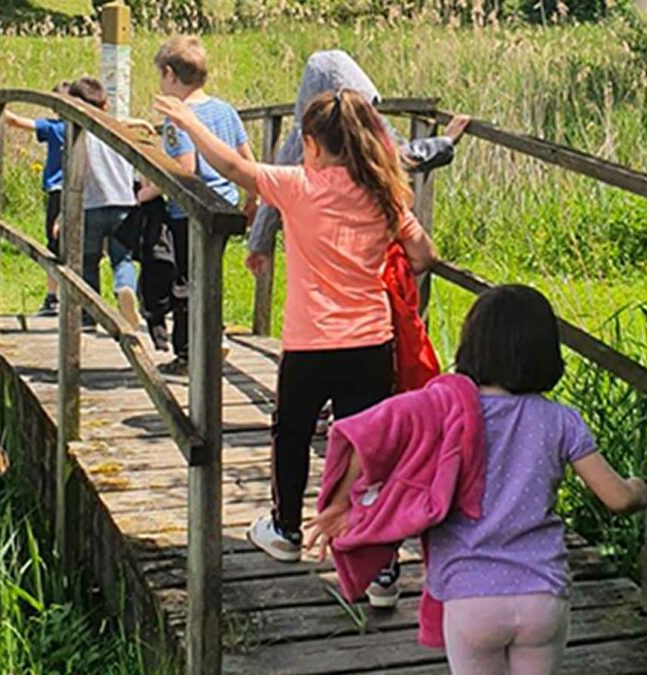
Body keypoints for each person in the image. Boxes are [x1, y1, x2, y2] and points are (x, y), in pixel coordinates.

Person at [153, 87, 436, 561]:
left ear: (312, 144)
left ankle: (285, 529)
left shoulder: (298, 186)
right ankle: (381, 562)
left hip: (310, 344)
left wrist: (190, 123)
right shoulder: (384, 195)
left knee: (292, 435)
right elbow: (425, 255)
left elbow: (231, 168)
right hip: (371, 340)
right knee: (365, 446)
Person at [308, 285, 647, 675]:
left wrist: (340, 502)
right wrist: (642, 490)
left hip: (471, 597)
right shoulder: (560, 421)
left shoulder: (444, 409)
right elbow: (618, 499)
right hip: (543, 594)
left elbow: (366, 433)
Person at [244, 49, 470, 277]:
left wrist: (259, 244)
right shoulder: (338, 134)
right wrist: (444, 142)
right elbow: (402, 157)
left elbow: (271, 192)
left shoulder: (307, 137)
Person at [137, 35, 255, 370]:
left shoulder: (178, 118)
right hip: (226, 204)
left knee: (186, 283)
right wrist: (252, 197)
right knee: (209, 277)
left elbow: (184, 169)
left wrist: (145, 194)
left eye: (161, 75)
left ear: (171, 74)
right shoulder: (224, 110)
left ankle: (190, 354)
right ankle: (214, 335)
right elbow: (245, 156)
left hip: (190, 211)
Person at [66, 76, 138, 329]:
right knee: (123, 258)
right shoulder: (119, 131)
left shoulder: (78, 134)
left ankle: (90, 314)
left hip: (91, 205)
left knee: (88, 259)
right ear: (105, 106)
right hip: (124, 203)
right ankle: (125, 288)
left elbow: (75, 174)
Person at [3, 81, 70, 317]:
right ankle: (80, 298)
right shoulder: (87, 128)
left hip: (58, 191)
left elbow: (17, 122)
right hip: (84, 192)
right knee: (81, 245)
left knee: (54, 245)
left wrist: (2, 109)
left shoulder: (54, 128)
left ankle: (53, 298)